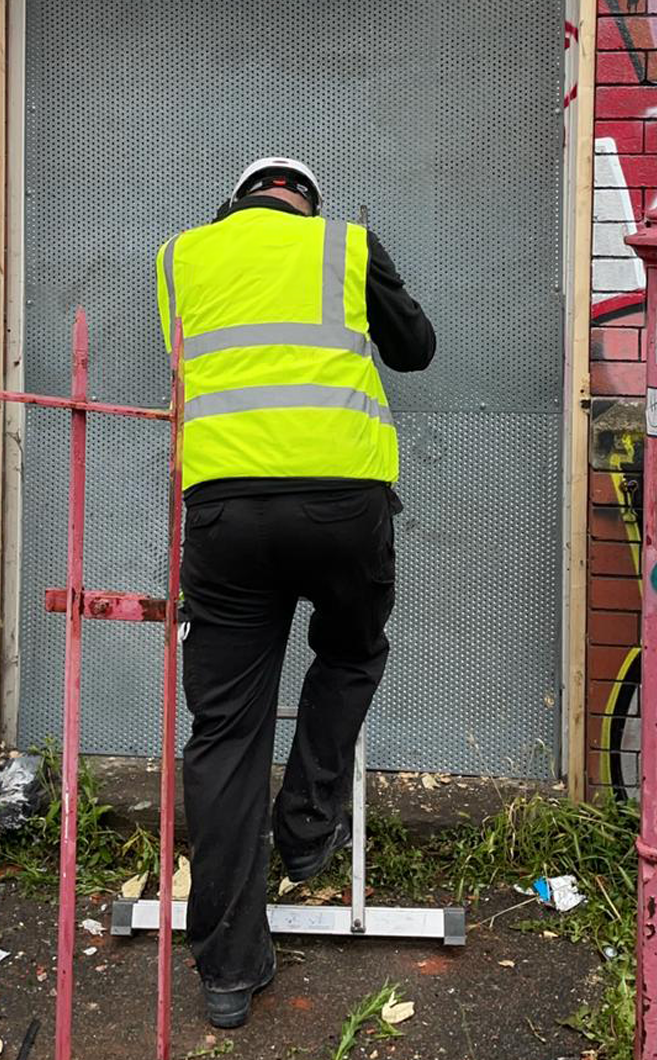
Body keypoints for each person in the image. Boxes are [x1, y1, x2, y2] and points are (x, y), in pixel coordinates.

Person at [156, 156, 435, 1029]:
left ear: (234, 203)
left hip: (226, 513)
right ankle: (309, 824)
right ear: (306, 202)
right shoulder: (346, 247)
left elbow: (187, 357)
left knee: (226, 731)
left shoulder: (181, 256)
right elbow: (416, 351)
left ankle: (230, 973)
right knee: (351, 650)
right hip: (341, 507)